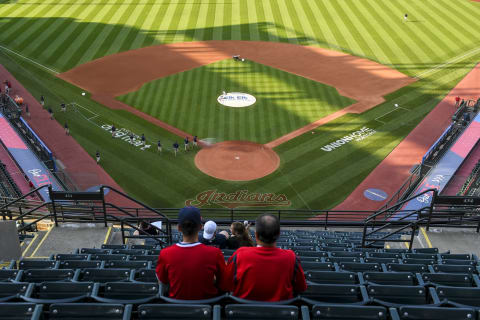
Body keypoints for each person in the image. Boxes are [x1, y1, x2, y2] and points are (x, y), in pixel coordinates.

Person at [224, 214, 307, 301]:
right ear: (278, 235)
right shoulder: (291, 257)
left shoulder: (240, 254)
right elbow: (301, 287)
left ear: (256, 235)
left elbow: (226, 285)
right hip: (282, 312)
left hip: (242, 311)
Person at [155, 206, 228, 300]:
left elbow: (162, 282)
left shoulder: (165, 253)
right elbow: (224, 283)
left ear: (179, 228)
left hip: (175, 308)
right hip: (210, 309)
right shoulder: (215, 253)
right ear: (200, 227)